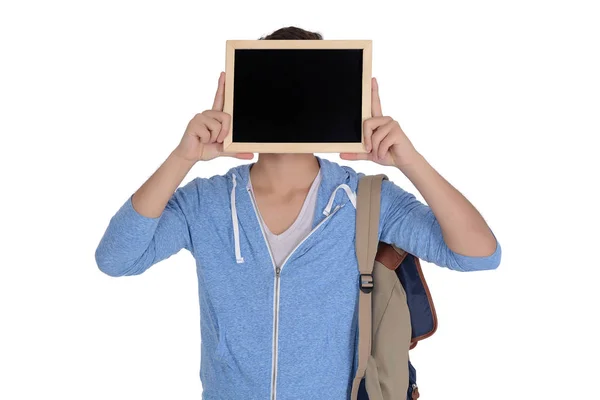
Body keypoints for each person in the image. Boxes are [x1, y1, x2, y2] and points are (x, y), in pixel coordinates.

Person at [95, 26, 501, 400]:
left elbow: (479, 254)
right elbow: (115, 259)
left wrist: (410, 161)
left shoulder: (365, 198)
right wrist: (182, 158)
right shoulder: (207, 201)